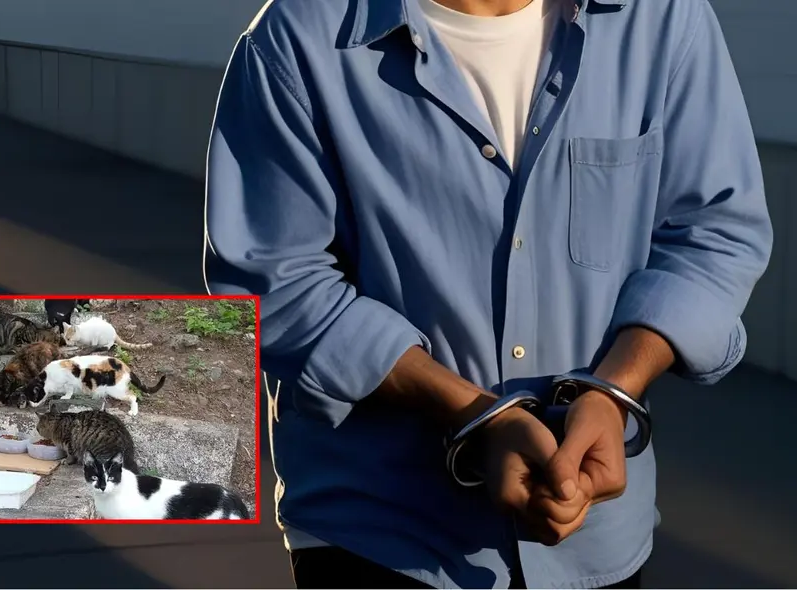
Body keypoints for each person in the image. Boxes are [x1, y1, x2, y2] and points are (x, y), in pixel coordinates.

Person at [204, 0, 772, 588]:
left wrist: (613, 394)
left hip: (600, 539)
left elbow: (715, 233)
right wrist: (474, 417)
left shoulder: (664, 18)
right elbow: (273, 282)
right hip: (381, 539)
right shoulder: (297, 36)